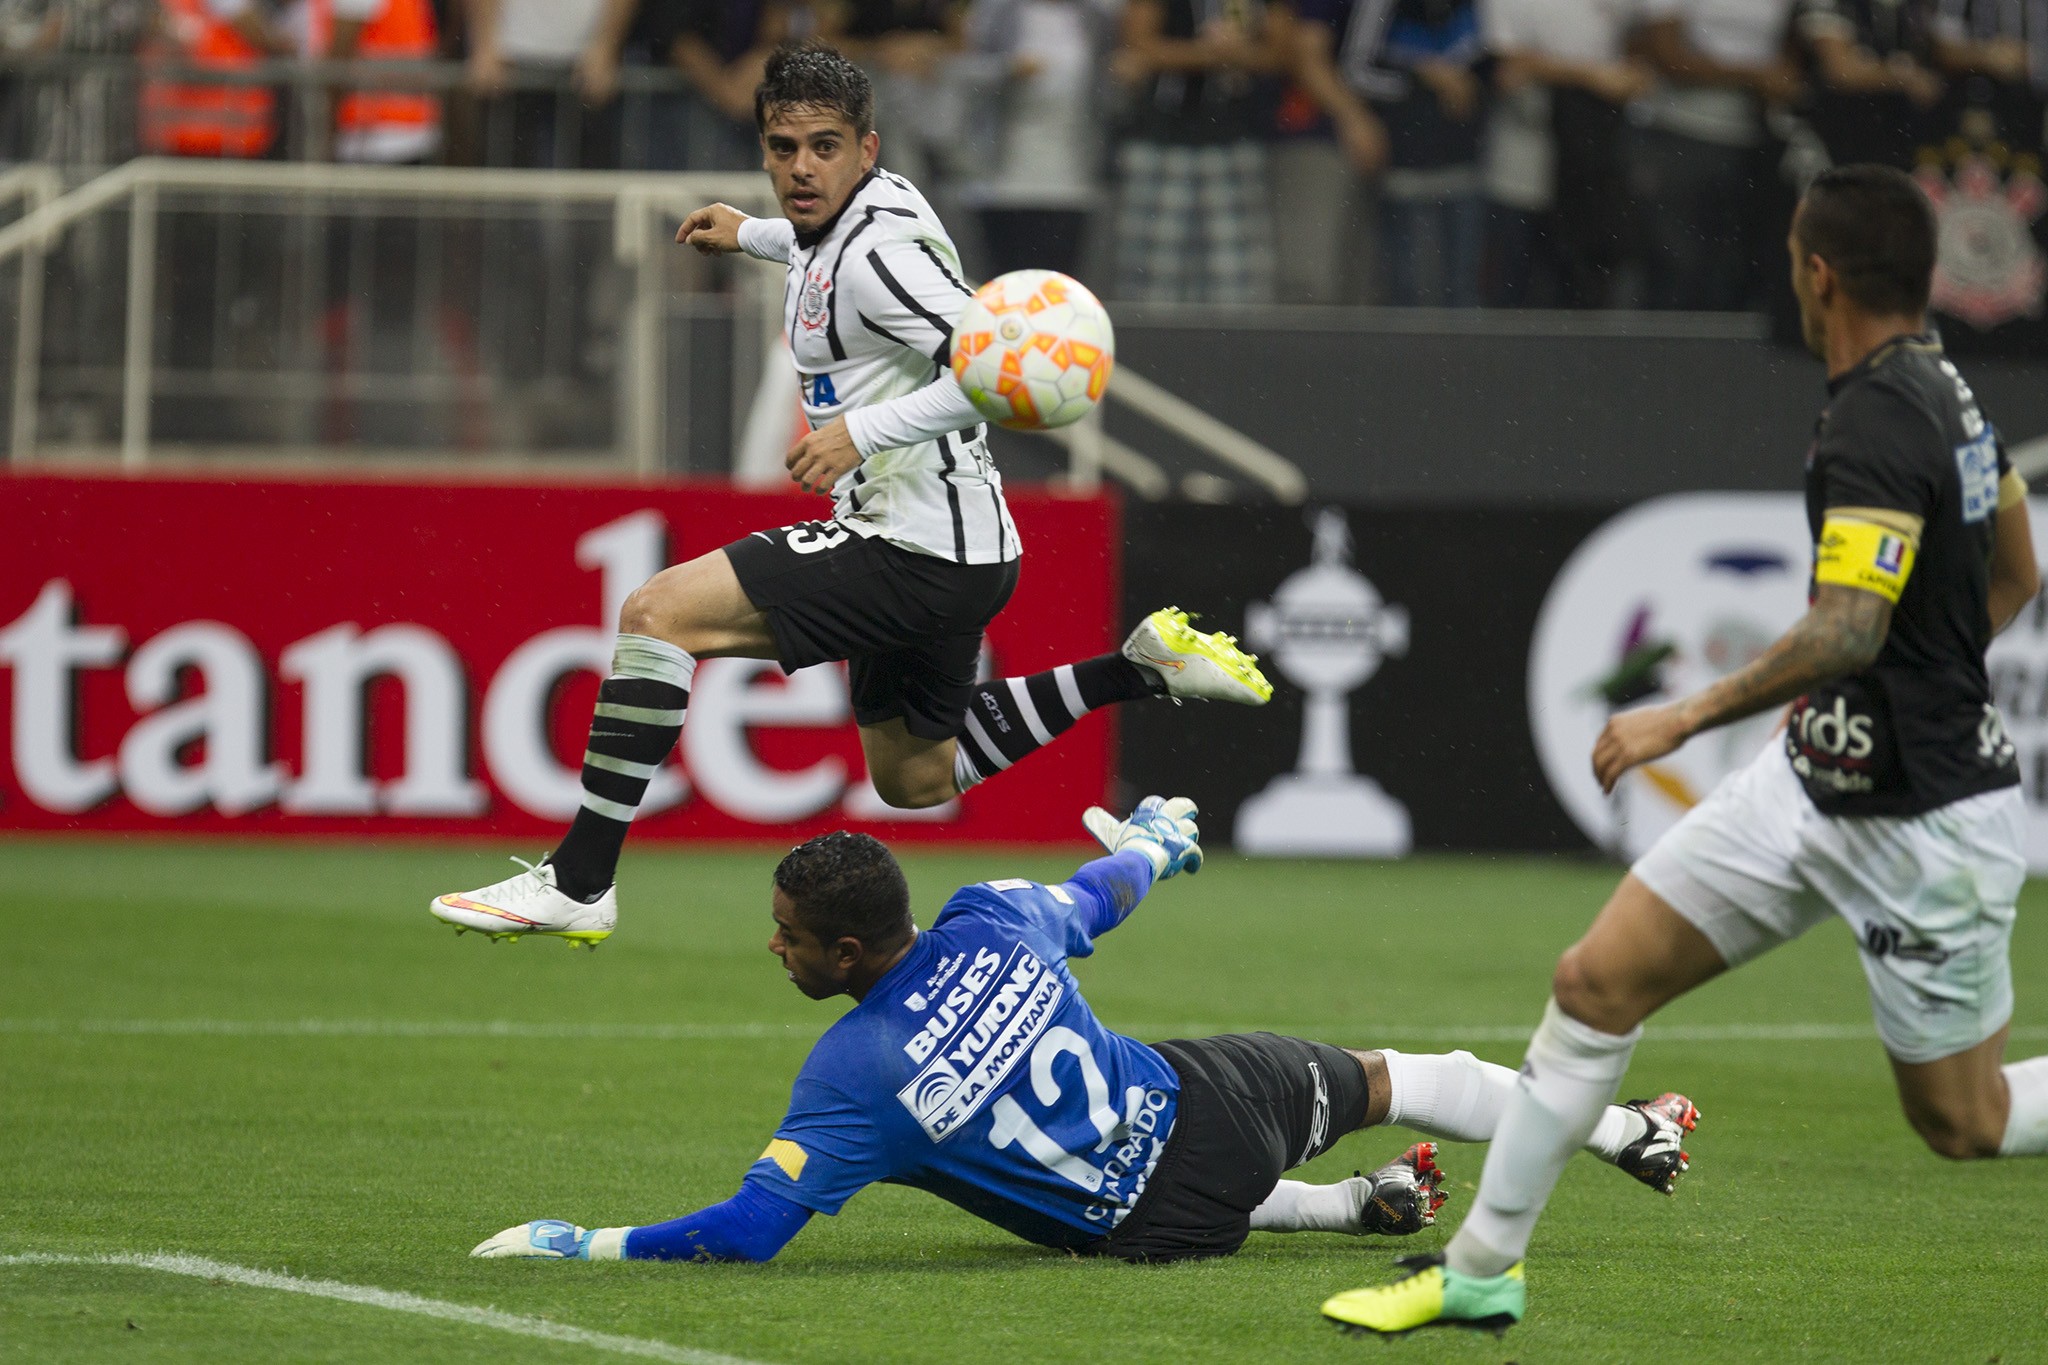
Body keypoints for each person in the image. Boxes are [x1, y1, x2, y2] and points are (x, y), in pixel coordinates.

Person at [1324, 164, 2048, 1338]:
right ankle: (1477, 1273)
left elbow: (1849, 623)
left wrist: (1678, 715)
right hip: (1811, 785)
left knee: (1958, 1121)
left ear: (1817, 275)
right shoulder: (1952, 394)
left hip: (1924, 824)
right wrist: (1899, 686)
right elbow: (2012, 574)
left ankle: (1477, 1270)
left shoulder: (1874, 415)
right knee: (1593, 985)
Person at [429, 43, 1273, 948]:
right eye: (782, 146)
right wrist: (747, 231)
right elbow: (811, 246)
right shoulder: (857, 211)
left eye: (824, 147)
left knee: (658, 611)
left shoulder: (879, 258)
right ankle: (1137, 670)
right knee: (914, 777)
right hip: (964, 548)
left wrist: (860, 434)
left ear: (865, 149)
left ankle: (580, 878)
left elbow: (995, 368)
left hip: (915, 545)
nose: (801, 168)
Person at [469, 799, 1702, 1264]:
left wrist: (586, 1244)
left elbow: (743, 1234)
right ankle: (1622, 1130)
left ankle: (1340, 1208)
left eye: (786, 933)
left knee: (1097, 1176)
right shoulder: (991, 916)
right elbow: (1096, 893)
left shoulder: (850, 1075)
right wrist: (1153, 846)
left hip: (1152, 1232)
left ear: (845, 955)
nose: (774, 947)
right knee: (1411, 1074)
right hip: (1221, 1110)